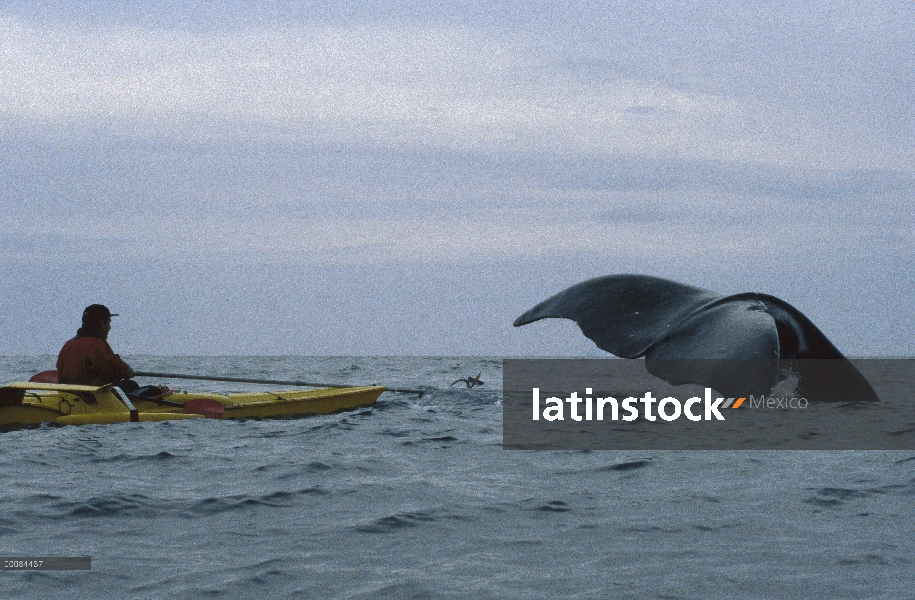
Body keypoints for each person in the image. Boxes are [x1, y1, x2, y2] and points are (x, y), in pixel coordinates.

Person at [57, 304, 136, 389]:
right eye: (109, 323)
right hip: (89, 397)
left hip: (69, 395)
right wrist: (128, 370)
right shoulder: (95, 345)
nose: (110, 327)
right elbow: (113, 367)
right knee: (131, 385)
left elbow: (59, 367)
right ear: (102, 323)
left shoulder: (68, 344)